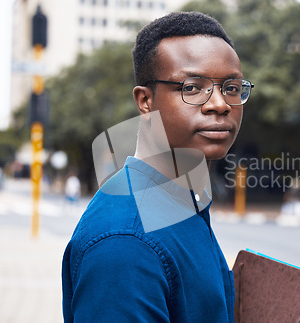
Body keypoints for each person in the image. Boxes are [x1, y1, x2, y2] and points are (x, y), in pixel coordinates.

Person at [62, 12, 253, 322]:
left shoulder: (181, 201)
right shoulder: (125, 242)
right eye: (192, 88)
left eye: (231, 88)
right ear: (145, 101)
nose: (220, 104)